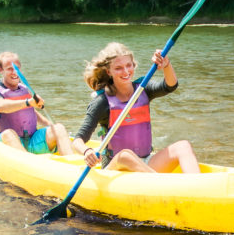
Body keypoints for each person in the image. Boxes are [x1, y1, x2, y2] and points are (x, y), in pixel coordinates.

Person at [72, 42, 200, 174]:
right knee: (125, 156)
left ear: (134, 65)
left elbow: (170, 85)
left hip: (146, 163)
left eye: (129, 65)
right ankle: (162, 184)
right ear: (108, 71)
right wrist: (87, 151)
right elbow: (78, 140)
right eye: (119, 68)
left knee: (183, 146)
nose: (126, 71)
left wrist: (166, 65)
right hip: (117, 168)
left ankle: (197, 186)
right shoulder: (102, 102)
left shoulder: (143, 89)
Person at [0, 52, 75, 155]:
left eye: (17, 68)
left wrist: (53, 127)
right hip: (9, 142)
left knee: (59, 128)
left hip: (33, 140)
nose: (14, 72)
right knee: (8, 134)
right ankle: (27, 162)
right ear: (0, 70)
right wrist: (28, 102)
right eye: (9, 68)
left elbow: (30, 112)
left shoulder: (23, 89)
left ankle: (71, 163)